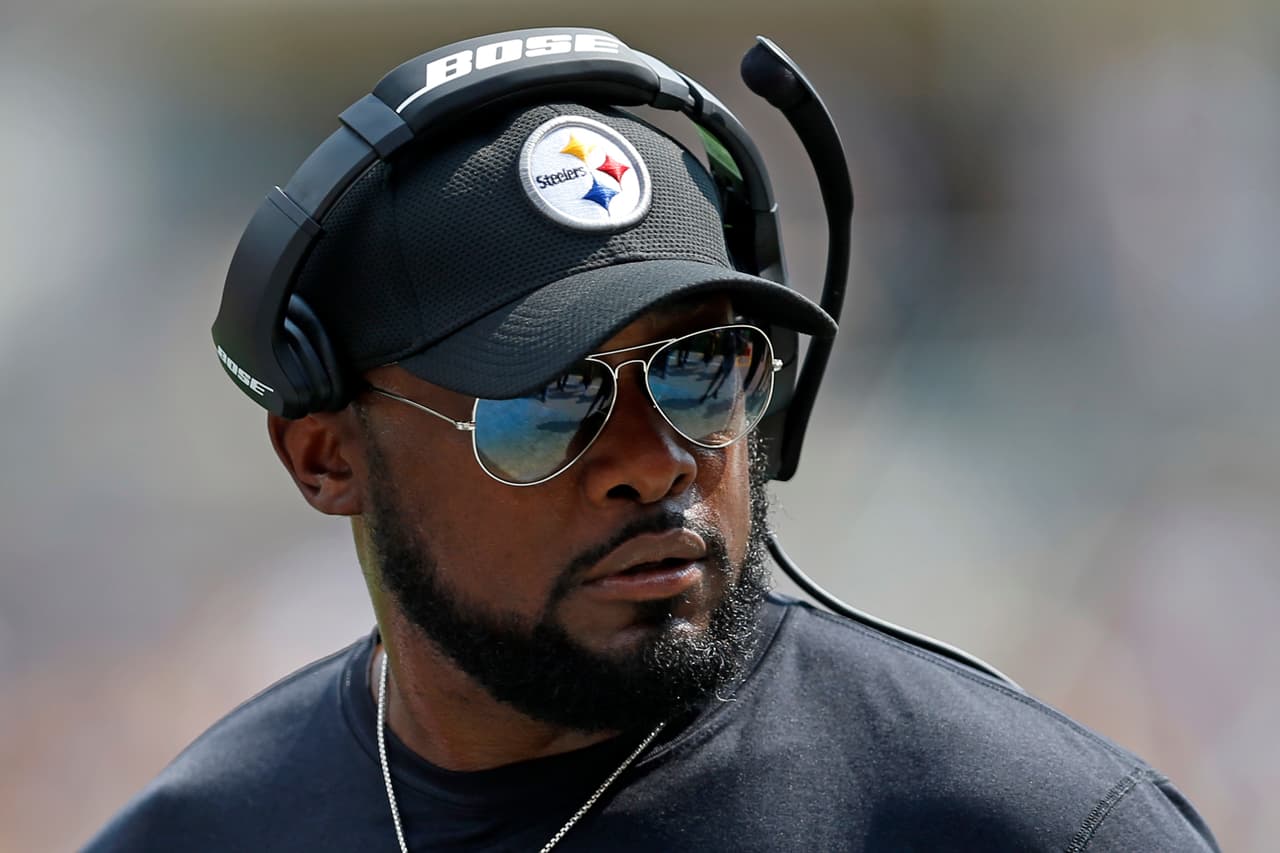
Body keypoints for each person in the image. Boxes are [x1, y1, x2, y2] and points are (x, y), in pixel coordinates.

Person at [86, 29, 1219, 853]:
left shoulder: (1034, 828)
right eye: (548, 396)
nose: (652, 458)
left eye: (696, 369)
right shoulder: (198, 834)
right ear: (325, 458)